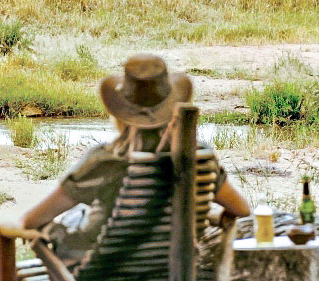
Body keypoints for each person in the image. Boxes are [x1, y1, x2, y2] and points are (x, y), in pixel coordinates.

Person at [21, 53, 251, 269]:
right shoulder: (201, 157)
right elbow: (241, 210)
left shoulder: (107, 161)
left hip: (104, 276)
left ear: (120, 113)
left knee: (69, 221)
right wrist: (203, 216)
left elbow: (32, 220)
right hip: (170, 272)